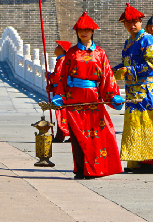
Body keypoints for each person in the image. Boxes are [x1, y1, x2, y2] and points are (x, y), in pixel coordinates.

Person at [51, 12, 124, 179]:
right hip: (74, 99)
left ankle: (94, 169)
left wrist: (113, 95)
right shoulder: (71, 53)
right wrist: (60, 96)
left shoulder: (100, 53)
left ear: (93, 31)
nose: (83, 33)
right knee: (78, 137)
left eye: (87, 30)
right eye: (80, 30)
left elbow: (107, 77)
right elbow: (63, 77)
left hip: (93, 99)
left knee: (96, 135)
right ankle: (80, 169)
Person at [114, 3, 153, 174]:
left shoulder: (148, 39)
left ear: (141, 22)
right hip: (132, 90)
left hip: (145, 90)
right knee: (135, 125)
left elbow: (152, 66)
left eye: (135, 22)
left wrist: (129, 71)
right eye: (128, 22)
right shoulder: (128, 42)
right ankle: (136, 161)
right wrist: (114, 70)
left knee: (146, 124)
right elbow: (127, 64)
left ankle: (147, 163)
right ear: (124, 25)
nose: (132, 25)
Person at [46, 40, 72, 142]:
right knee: (61, 113)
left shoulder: (62, 61)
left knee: (62, 112)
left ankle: (61, 135)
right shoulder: (61, 60)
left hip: (62, 91)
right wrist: (51, 87)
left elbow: (57, 77)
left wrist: (48, 76)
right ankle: (60, 135)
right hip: (59, 89)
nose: (55, 48)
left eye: (57, 46)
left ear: (62, 49)